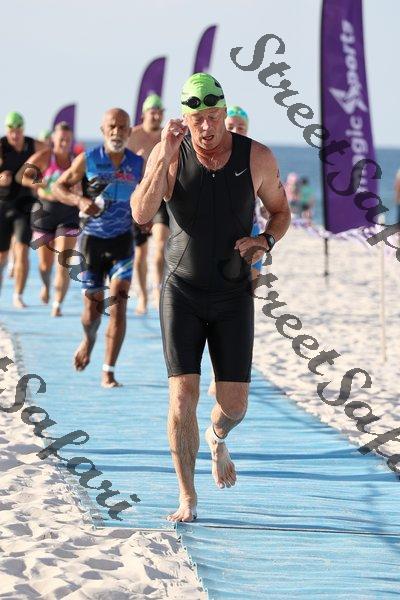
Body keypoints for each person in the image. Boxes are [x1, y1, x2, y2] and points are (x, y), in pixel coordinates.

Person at [131, 73, 291, 522]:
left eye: (214, 116)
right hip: (181, 291)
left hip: (233, 294)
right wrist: (163, 156)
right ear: (185, 118)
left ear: (224, 112)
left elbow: (280, 211)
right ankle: (187, 496)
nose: (207, 127)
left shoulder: (256, 157)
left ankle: (217, 438)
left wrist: (266, 240)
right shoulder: (169, 153)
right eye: (197, 118)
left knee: (235, 406)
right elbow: (141, 213)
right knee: (182, 396)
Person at [53, 108, 143, 387]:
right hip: (92, 243)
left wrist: (147, 217)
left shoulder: (137, 164)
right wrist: (79, 201)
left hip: (122, 242)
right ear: (103, 130)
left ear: (130, 132)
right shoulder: (88, 159)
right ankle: (88, 339)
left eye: (122, 127)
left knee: (119, 305)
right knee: (90, 314)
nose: (117, 131)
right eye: (112, 126)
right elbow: (58, 187)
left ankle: (109, 371)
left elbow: (151, 196)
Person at [20, 122, 79, 316]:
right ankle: (46, 285)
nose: (64, 142)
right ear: (53, 139)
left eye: (67, 139)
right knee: (45, 265)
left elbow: (86, 182)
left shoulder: (76, 160)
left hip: (69, 212)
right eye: (61, 139)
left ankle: (57, 304)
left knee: (64, 261)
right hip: (44, 212)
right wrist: (40, 182)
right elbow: (23, 176)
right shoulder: (45, 157)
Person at [0, 112, 45, 307]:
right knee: (2, 255)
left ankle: (18, 296)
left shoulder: (34, 145)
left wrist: (40, 179)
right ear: (7, 130)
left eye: (18, 131)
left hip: (24, 207)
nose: (15, 135)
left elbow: (50, 159)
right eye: (11, 131)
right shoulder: (1, 146)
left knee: (22, 250)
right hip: (2, 206)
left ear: (23, 130)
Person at [128, 94, 166, 313]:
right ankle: (142, 296)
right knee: (140, 252)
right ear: (144, 114)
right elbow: (119, 165)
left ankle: (158, 291)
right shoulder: (132, 136)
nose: (157, 116)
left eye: (160, 112)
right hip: (139, 198)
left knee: (160, 244)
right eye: (153, 112)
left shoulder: (166, 136)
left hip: (161, 197)